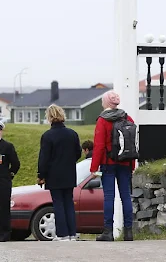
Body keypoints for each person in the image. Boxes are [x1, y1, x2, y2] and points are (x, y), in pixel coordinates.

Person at [90, 91, 135, 242]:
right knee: (126, 197)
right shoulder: (127, 118)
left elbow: (99, 146)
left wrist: (94, 168)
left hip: (108, 164)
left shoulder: (102, 120)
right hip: (125, 163)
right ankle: (128, 232)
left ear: (106, 103)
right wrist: (132, 164)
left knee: (109, 197)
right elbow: (132, 143)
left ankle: (108, 232)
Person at [37, 104, 82, 241]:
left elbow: (44, 158)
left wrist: (41, 175)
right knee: (68, 202)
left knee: (58, 203)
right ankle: (72, 233)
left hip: (54, 175)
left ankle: (62, 234)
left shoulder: (47, 136)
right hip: (69, 174)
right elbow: (78, 153)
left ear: (49, 117)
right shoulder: (72, 134)